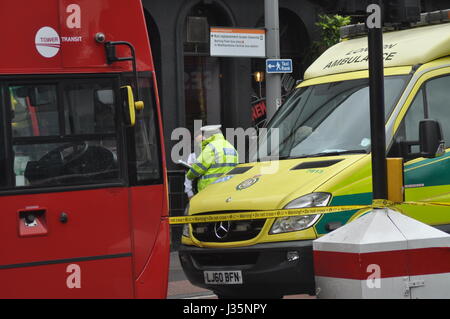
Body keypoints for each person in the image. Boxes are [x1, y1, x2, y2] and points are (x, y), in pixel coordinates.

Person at [186, 125, 238, 193]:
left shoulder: (211, 148)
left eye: (205, 135)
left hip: (211, 189)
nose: (204, 138)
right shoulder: (231, 147)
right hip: (228, 189)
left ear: (211, 136)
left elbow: (197, 168)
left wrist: (189, 175)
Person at [184, 130, 202, 200]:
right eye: (199, 142)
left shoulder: (212, 153)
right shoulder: (192, 155)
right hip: (197, 190)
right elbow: (188, 176)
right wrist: (189, 193)